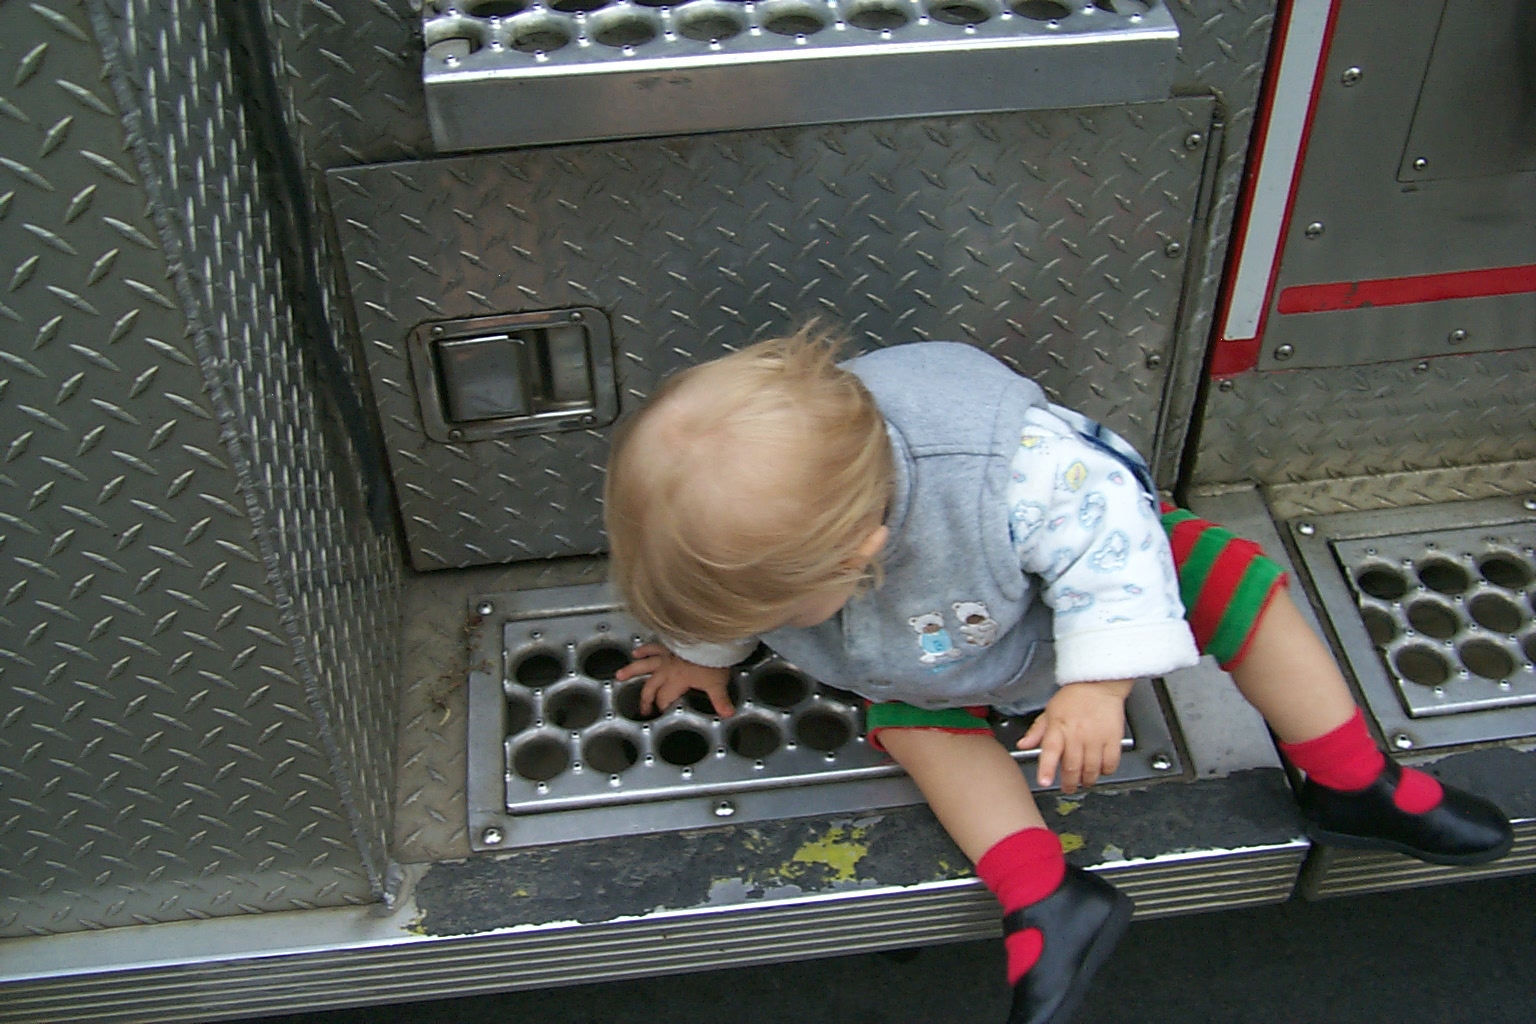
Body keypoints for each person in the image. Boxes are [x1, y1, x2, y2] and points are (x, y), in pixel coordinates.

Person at [604, 327, 1514, 1024]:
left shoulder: (1014, 471)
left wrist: (1097, 686)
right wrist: (701, 649)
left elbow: (1112, 550)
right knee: (915, 725)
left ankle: (1350, 780)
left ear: (861, 553)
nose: (754, 628)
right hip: (922, 655)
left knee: (1229, 575)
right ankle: (1046, 896)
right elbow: (722, 588)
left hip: (1062, 608)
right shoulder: (768, 516)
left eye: (770, 613)